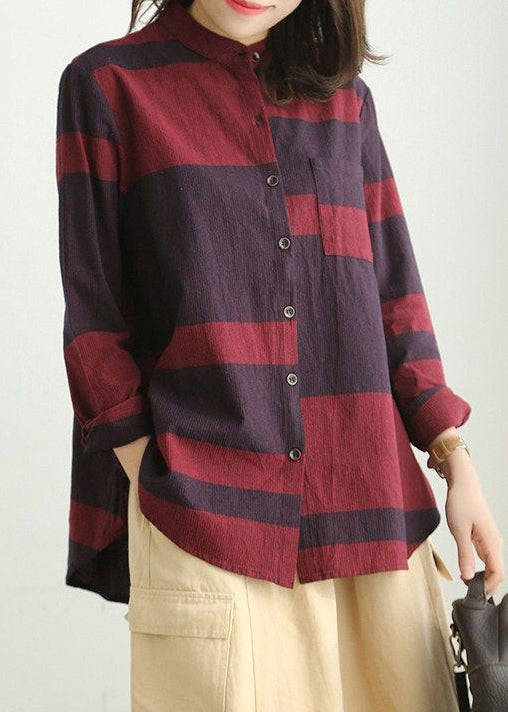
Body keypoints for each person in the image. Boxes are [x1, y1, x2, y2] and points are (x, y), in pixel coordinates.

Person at [55, 0, 505, 709]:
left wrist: (457, 463)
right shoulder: (108, 85)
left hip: (370, 511)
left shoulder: (347, 104)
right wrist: (154, 474)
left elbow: (395, 298)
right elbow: (94, 319)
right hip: (207, 516)